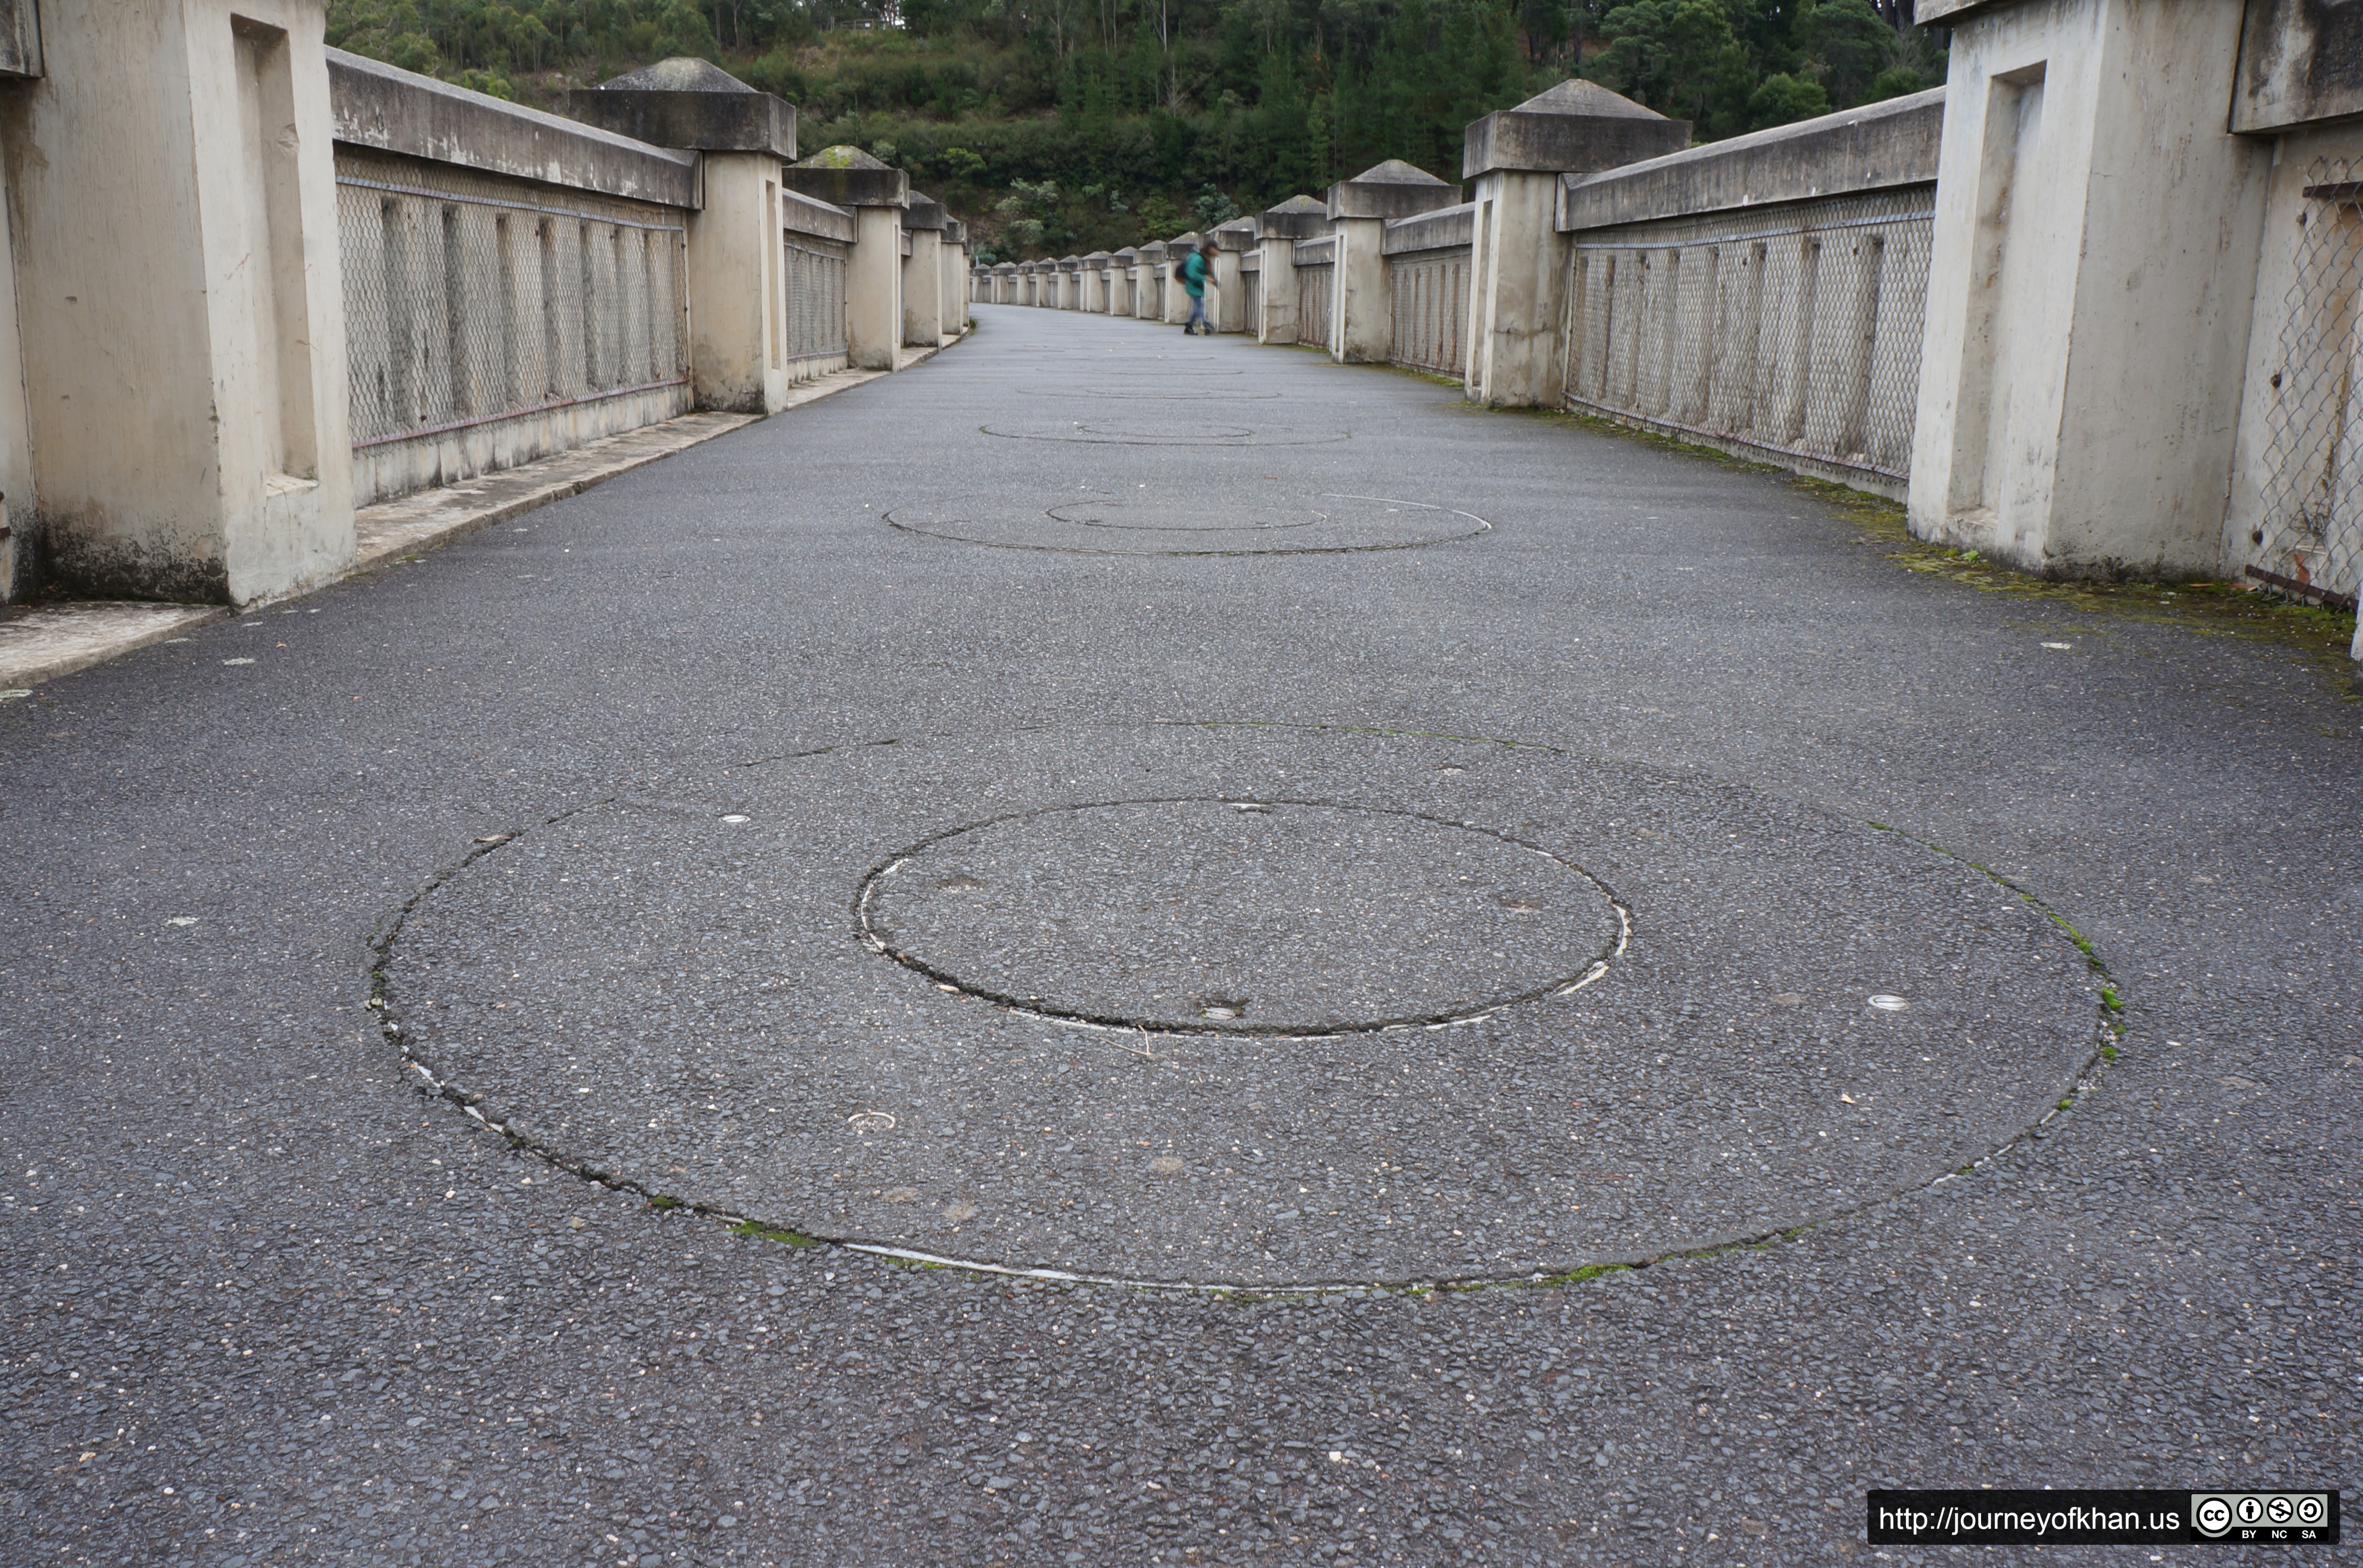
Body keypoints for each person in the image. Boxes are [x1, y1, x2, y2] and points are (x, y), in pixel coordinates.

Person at [1180, 238, 1217, 335]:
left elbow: (1209, 271)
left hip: (1197, 286)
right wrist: (1207, 278)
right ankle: (1206, 324)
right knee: (1199, 305)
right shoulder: (1198, 259)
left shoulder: (1205, 259)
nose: (1217, 252)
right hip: (1192, 285)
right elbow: (1192, 274)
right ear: (1210, 249)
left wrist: (1215, 281)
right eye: (1215, 249)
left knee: (1197, 307)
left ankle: (1189, 326)